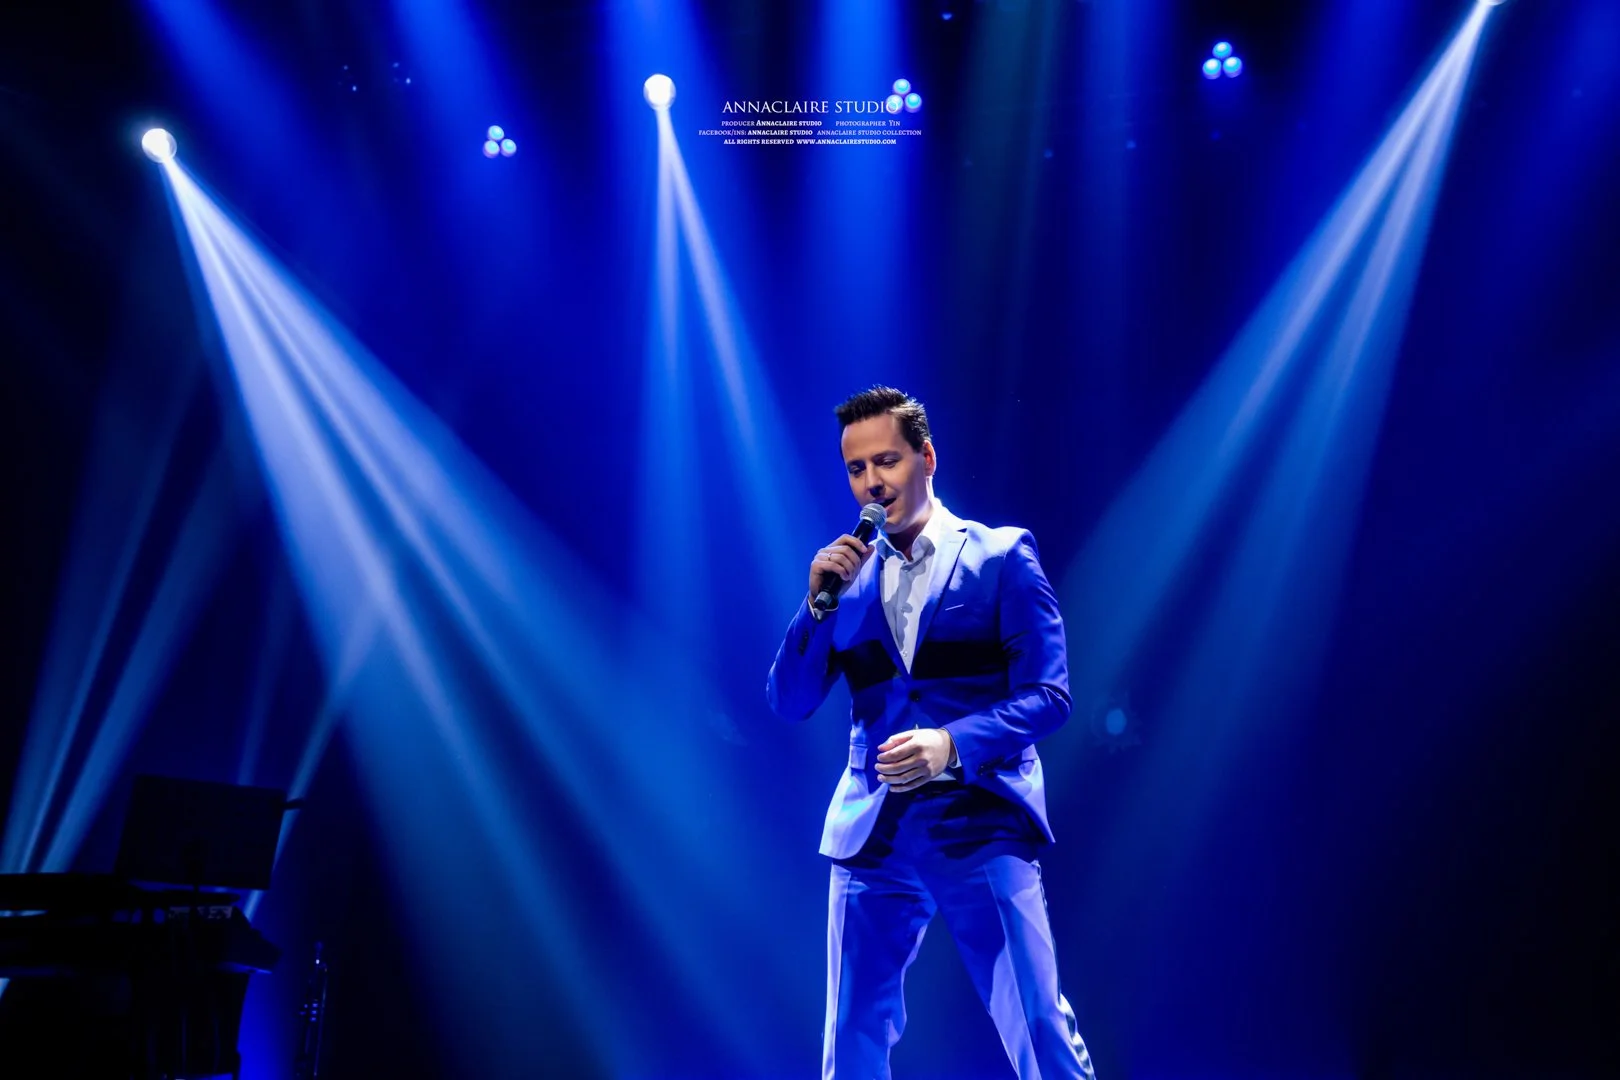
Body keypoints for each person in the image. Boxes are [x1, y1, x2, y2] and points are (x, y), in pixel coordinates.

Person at [767, 386, 1097, 1079]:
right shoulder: (846, 579)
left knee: (1036, 1021)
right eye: (856, 469)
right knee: (851, 1037)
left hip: (979, 821)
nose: (871, 483)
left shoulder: (1002, 556)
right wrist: (812, 608)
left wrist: (951, 745)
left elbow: (1051, 695)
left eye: (886, 461)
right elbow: (790, 701)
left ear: (927, 458)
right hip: (873, 831)